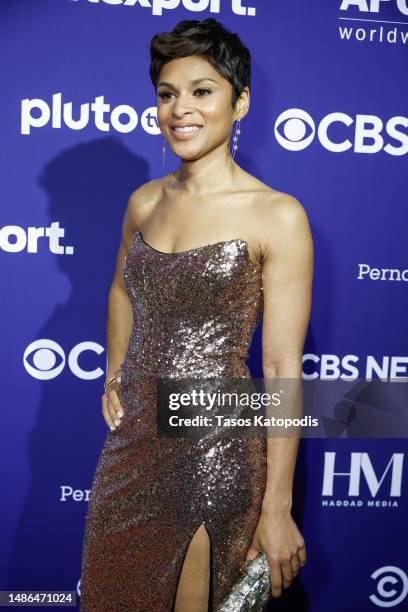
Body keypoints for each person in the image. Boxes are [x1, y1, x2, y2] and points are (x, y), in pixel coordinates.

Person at [80, 17, 313, 612]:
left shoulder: (277, 215)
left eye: (202, 91)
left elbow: (283, 366)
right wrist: (115, 372)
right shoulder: (144, 201)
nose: (180, 108)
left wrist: (278, 506)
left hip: (212, 454)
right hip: (128, 455)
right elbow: (120, 290)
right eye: (167, 93)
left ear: (240, 102)